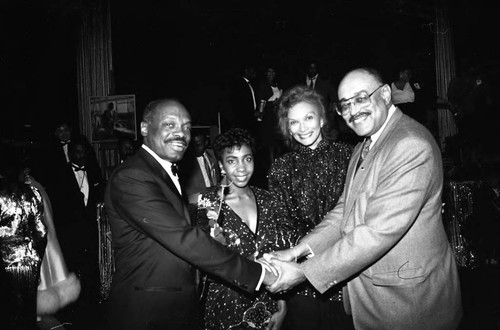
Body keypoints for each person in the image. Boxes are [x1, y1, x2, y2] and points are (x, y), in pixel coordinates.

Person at [266, 68, 463, 329]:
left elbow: (377, 231)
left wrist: (304, 272)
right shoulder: (364, 146)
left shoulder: (409, 144)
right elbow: (343, 211)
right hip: (374, 299)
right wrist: (297, 251)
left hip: (409, 304)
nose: (353, 110)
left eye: (361, 98)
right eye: (345, 105)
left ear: (385, 94)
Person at [104, 98, 278, 329]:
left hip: (176, 306)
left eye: (186, 126)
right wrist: (261, 275)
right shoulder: (132, 176)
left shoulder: (161, 172)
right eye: (170, 125)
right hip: (148, 311)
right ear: (144, 128)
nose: (181, 133)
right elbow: (184, 239)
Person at [267, 85, 354, 330]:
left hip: (344, 272)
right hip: (300, 279)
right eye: (294, 122)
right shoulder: (281, 168)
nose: (302, 128)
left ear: (322, 118)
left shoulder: (348, 157)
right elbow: (281, 225)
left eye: (308, 118)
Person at [196, 128, 288, 330]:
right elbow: (206, 259)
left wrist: (282, 306)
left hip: (268, 304)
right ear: (221, 165)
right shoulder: (209, 203)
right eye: (232, 161)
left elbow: (280, 254)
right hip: (225, 308)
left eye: (247, 159)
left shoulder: (268, 199)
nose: (241, 168)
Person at [254, 65, 284, 188]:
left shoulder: (278, 84)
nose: (271, 74)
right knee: (271, 145)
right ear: (266, 73)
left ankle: (278, 167)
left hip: (278, 117)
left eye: (273, 71)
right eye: (269, 71)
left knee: (279, 145)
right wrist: (272, 104)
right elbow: (261, 103)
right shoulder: (263, 86)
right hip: (268, 118)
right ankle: (273, 172)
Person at [180, 132, 221, 220]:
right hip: (197, 208)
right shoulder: (185, 161)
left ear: (206, 143)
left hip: (216, 204)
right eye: (192, 145)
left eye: (198, 145)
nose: (195, 149)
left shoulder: (213, 155)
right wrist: (206, 193)